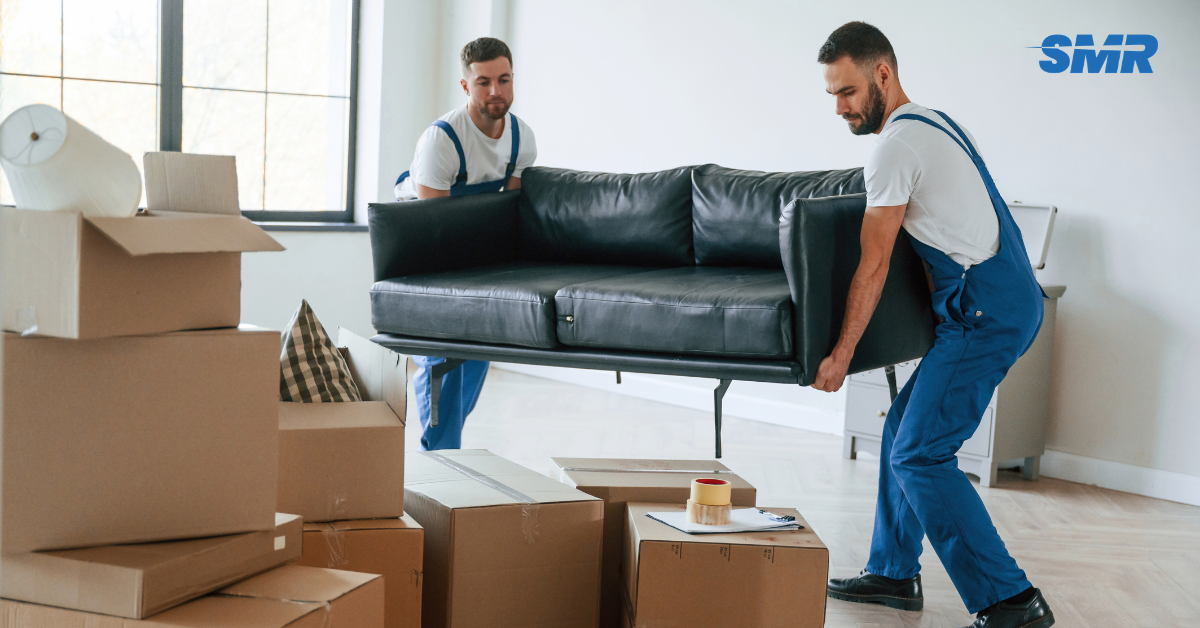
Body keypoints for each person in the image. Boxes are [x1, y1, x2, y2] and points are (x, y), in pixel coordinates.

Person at [813, 22, 1054, 628]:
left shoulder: (893, 149)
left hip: (983, 311)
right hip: (1002, 296)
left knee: (920, 454)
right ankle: (893, 573)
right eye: (832, 96)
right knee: (902, 432)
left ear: (882, 74)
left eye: (847, 92)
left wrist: (841, 355)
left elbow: (872, 267)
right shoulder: (936, 121)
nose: (840, 108)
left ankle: (1010, 602)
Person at [394, 37, 537, 450]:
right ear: (465, 86)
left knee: (477, 350)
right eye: (483, 82)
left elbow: (506, 212)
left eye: (504, 80)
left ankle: (444, 450)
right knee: (442, 353)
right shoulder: (440, 141)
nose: (495, 91)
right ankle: (438, 460)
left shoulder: (521, 139)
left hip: (474, 239)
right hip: (419, 239)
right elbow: (433, 227)